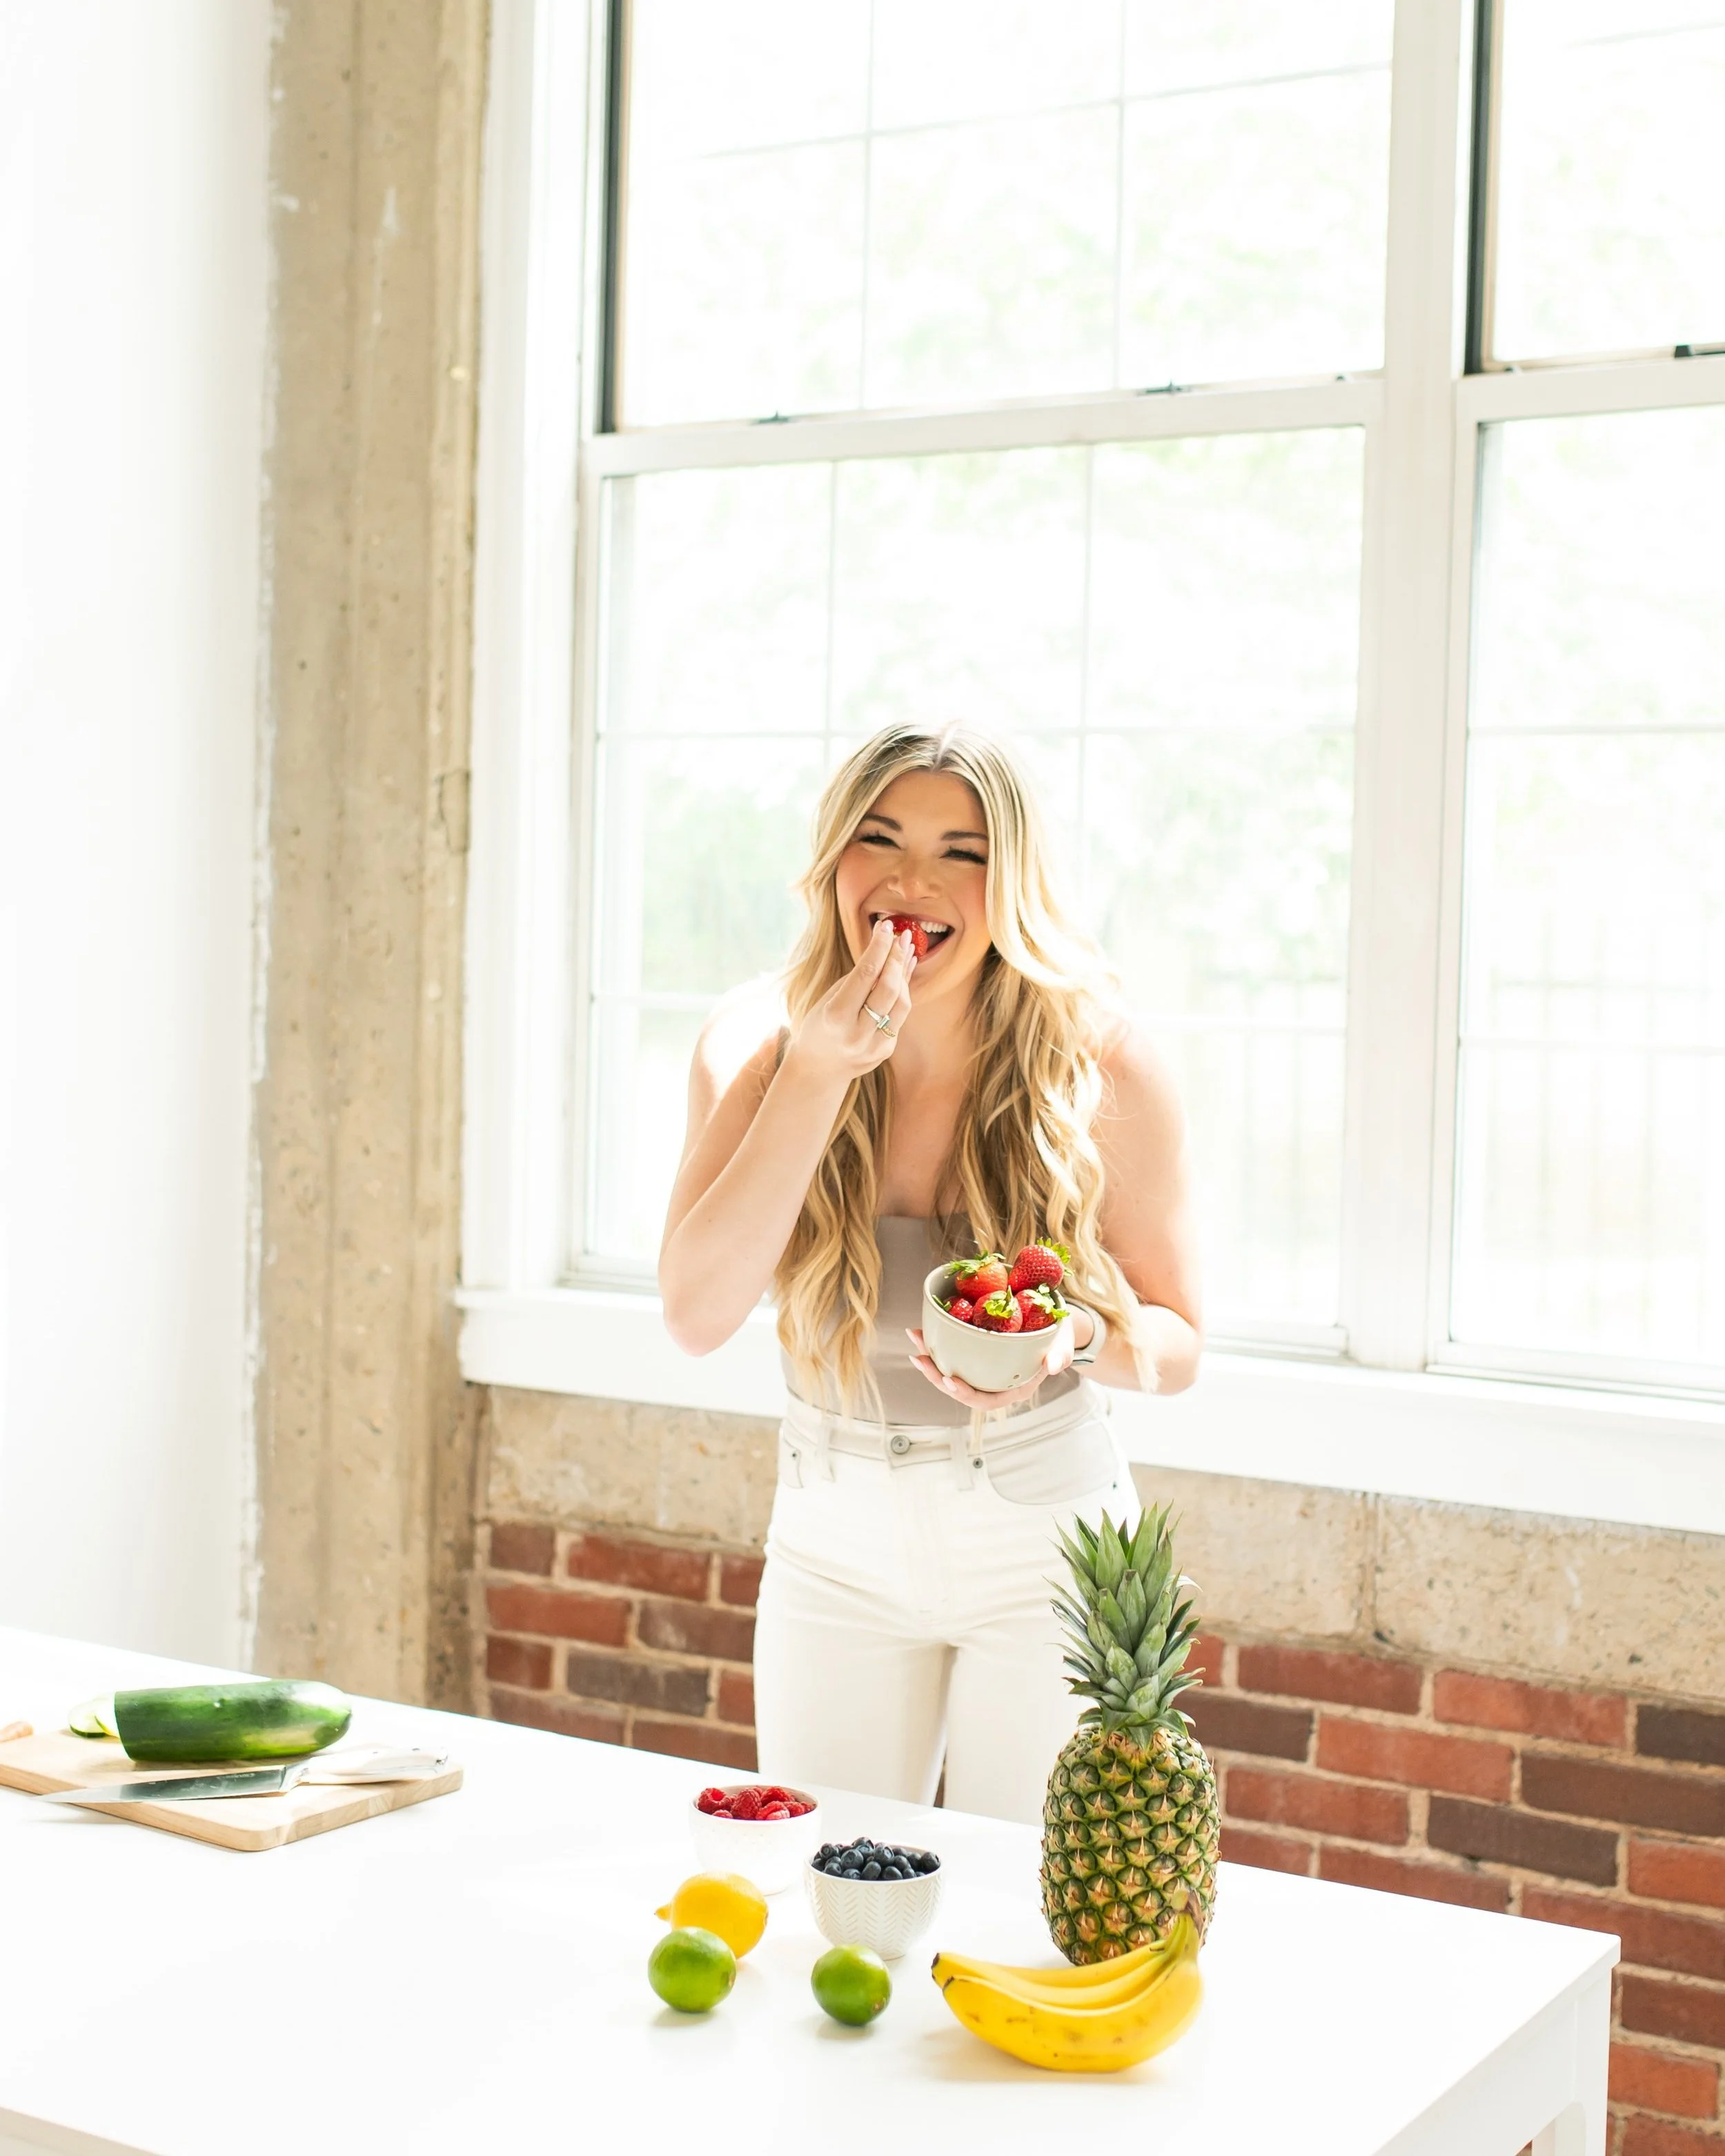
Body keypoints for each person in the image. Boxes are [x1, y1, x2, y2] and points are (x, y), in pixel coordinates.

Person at [659, 722, 1201, 1824]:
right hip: (833, 1543)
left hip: (1045, 1535)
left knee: (1026, 1909)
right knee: (838, 1884)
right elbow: (696, 1313)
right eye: (882, 838)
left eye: (965, 850)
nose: (916, 879)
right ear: (833, 865)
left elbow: (1180, 1342)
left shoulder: (1099, 1064)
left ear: (1014, 885)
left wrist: (1077, 1339)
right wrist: (817, 1073)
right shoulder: (755, 1044)